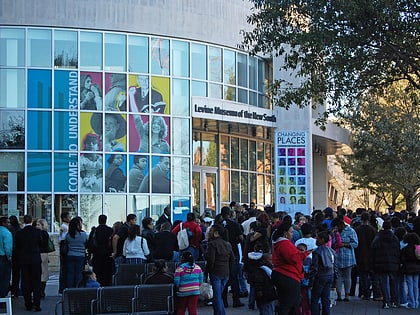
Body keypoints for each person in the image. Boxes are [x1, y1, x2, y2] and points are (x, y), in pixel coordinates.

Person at [271, 221, 308, 315]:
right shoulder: (284, 244)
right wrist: (305, 254)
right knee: (288, 304)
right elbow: (294, 258)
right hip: (288, 276)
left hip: (284, 275)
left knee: (290, 303)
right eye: (291, 232)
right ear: (285, 233)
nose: (292, 234)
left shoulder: (279, 243)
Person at [15, 215, 43, 312]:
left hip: (24, 259)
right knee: (36, 281)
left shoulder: (19, 233)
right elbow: (41, 244)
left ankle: (28, 303)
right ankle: (37, 303)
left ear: (23, 221)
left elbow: (17, 246)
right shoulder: (37, 232)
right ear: (32, 221)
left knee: (25, 281)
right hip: (35, 258)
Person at [206, 224, 234, 315]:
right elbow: (232, 259)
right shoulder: (227, 244)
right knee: (218, 295)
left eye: (211, 230)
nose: (209, 232)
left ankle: (221, 313)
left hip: (215, 271)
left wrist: (208, 271)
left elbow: (211, 260)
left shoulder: (212, 244)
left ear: (216, 232)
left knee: (217, 296)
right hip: (225, 272)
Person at [371, 220, 400, 309]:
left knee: (383, 283)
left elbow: (373, 249)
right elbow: (398, 250)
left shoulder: (378, 237)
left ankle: (386, 302)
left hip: (381, 263)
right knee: (393, 283)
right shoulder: (394, 238)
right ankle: (394, 301)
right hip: (393, 263)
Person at [309, 231, 337, 315]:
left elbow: (314, 268)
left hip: (320, 276)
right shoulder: (331, 251)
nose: (316, 240)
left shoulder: (316, 252)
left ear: (322, 239)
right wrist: (335, 280)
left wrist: (311, 282)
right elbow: (335, 266)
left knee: (315, 299)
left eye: (317, 238)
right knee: (326, 299)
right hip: (330, 275)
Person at [331, 217, 358, 302]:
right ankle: (339, 295)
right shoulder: (334, 233)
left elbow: (355, 243)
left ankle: (347, 295)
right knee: (338, 277)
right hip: (337, 257)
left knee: (347, 277)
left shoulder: (351, 231)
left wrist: (344, 244)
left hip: (348, 257)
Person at [243, 249, 277, 315]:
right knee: (266, 311)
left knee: (269, 310)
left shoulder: (269, 270)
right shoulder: (261, 270)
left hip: (270, 296)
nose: (272, 262)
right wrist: (259, 290)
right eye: (270, 260)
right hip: (265, 296)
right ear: (264, 261)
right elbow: (258, 282)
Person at [354, 212, 377, 300]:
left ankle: (364, 292)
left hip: (360, 254)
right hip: (371, 255)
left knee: (363, 275)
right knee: (372, 275)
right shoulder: (373, 230)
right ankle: (375, 293)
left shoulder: (357, 230)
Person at [174, 250, 203, 315]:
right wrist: (196, 286)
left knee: (181, 308)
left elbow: (177, 281)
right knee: (192, 308)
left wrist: (178, 287)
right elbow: (201, 280)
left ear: (183, 258)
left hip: (183, 291)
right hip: (195, 291)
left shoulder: (180, 268)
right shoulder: (198, 267)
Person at [88, 214, 114, 286]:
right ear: (106, 220)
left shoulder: (95, 230)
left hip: (97, 253)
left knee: (97, 271)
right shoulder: (110, 230)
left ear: (98, 220)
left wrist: (89, 255)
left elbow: (90, 243)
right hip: (107, 253)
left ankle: (98, 285)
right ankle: (107, 285)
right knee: (107, 271)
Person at [65, 217, 88, 288]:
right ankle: (78, 288)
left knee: (70, 273)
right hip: (81, 256)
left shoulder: (68, 235)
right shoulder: (83, 235)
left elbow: (66, 244)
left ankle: (70, 288)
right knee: (79, 273)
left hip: (70, 255)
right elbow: (86, 244)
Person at [400, 232, 420, 309]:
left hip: (408, 268)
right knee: (416, 286)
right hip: (417, 268)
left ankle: (411, 302)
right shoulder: (418, 248)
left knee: (410, 285)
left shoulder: (405, 249)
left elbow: (402, 259)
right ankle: (416, 302)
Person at [36, 219, 50, 298]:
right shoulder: (45, 234)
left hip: (41, 254)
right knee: (43, 274)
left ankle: (41, 291)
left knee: (42, 274)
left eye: (38, 225)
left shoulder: (42, 234)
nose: (37, 226)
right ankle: (42, 291)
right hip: (44, 254)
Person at [8, 215, 21, 298]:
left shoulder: (8, 230)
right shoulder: (19, 230)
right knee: (16, 273)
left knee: (7, 273)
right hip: (18, 253)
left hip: (10, 252)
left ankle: (8, 289)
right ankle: (15, 290)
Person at [58, 211, 71, 294]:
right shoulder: (64, 227)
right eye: (68, 217)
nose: (70, 218)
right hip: (65, 249)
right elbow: (62, 239)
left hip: (64, 248)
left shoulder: (65, 227)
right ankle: (63, 287)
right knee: (64, 269)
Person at [0, 216, 12, 298]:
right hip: (3, 257)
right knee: (4, 278)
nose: (9, 224)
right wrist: (9, 257)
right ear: (3, 223)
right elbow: (8, 248)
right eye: (7, 222)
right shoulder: (6, 233)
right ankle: (2, 297)